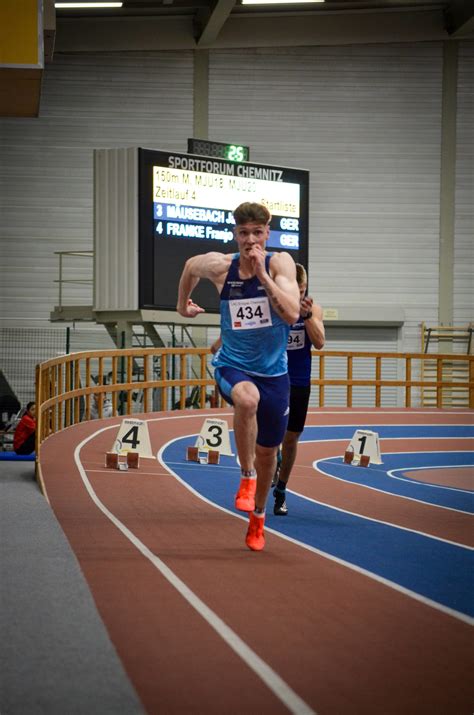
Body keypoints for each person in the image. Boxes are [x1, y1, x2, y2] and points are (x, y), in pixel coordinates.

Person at [177, 202, 300, 551]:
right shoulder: (221, 267)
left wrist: (262, 277)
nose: (250, 241)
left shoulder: (280, 264)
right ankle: (245, 477)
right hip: (233, 364)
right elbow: (189, 266)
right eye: (243, 233)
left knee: (269, 455)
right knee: (247, 399)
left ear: (267, 233)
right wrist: (182, 304)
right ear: (235, 234)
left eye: (257, 233)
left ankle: (258, 518)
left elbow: (291, 314)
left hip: (275, 375)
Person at [272, 263, 325, 516]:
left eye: (302, 291)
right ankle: (272, 460)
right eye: (295, 290)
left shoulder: (313, 310)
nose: (298, 296)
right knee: (268, 435)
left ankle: (281, 490)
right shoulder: (274, 307)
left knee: (291, 438)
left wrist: (306, 318)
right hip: (272, 377)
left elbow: (320, 342)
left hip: (299, 381)